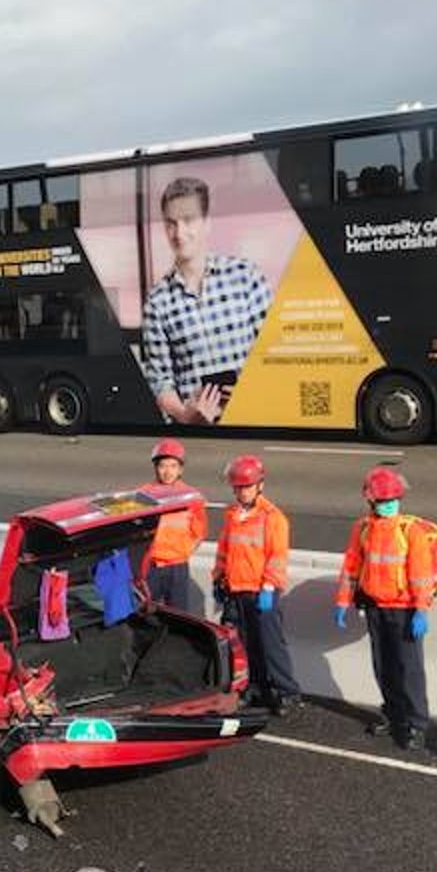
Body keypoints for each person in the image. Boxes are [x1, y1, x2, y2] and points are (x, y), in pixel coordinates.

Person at [140, 176, 273, 427]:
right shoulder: (157, 302)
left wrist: (248, 393)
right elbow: (160, 380)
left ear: (207, 223)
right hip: (197, 431)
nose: (179, 233)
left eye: (188, 220)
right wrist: (185, 415)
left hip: (253, 421)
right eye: (171, 223)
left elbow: (272, 352)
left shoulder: (245, 275)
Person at [333, 466, 437, 750]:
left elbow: (421, 574)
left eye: (393, 500)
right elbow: (351, 567)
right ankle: (393, 714)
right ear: (371, 502)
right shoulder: (363, 529)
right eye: (383, 501)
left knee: (410, 668)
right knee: (384, 666)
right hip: (376, 608)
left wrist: (421, 609)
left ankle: (416, 724)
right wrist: (342, 601)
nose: (389, 505)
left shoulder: (410, 532)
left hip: (404, 611)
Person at [212, 454, 300, 715]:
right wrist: (218, 578)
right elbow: (224, 550)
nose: (243, 491)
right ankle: (255, 688)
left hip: (262, 592)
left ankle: (287, 692)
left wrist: (269, 587)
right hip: (236, 590)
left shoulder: (272, 517)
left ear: (259, 486)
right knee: (246, 645)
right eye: (238, 487)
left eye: (247, 487)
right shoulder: (232, 515)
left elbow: (277, 556)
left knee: (271, 645)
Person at [141, 438, 207, 609]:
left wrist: (183, 553)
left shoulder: (191, 497)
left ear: (180, 469)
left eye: (173, 466)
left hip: (177, 567)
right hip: (151, 567)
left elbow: (199, 533)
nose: (168, 471)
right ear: (156, 468)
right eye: (163, 466)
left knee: (179, 616)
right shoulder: (144, 495)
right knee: (146, 615)